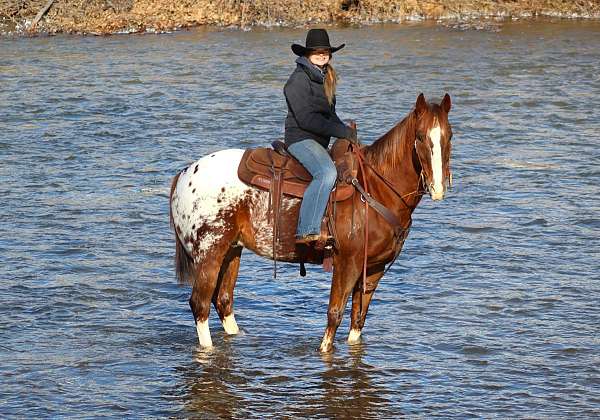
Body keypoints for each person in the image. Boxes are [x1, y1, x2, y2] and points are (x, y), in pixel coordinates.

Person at [284, 28, 357, 244]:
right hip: (300, 139)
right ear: (307, 54)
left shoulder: (325, 77)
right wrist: (340, 132)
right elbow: (307, 120)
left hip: (318, 140)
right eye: (317, 51)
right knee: (326, 173)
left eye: (325, 51)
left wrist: (349, 135)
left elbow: (330, 116)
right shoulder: (297, 81)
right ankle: (306, 230)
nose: (322, 54)